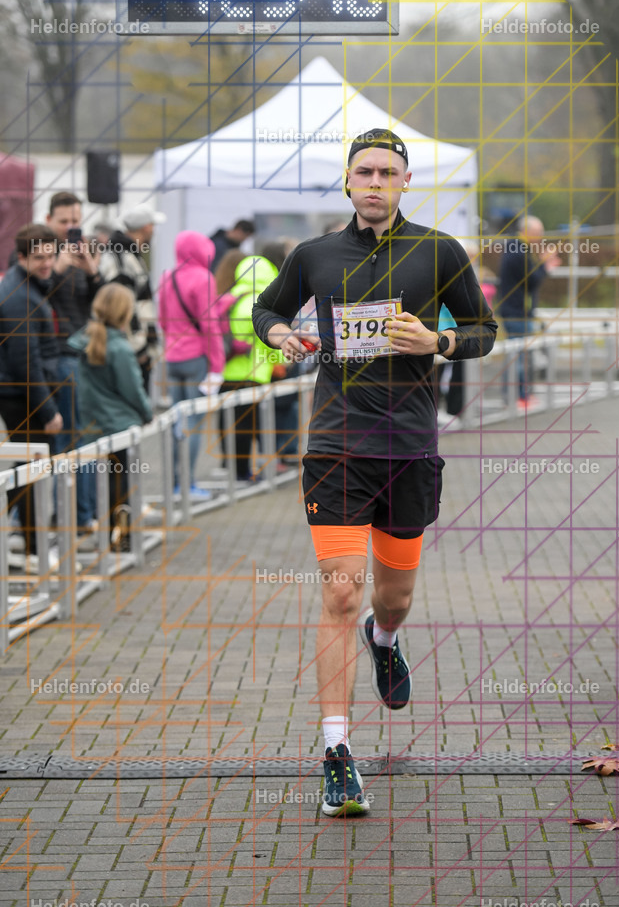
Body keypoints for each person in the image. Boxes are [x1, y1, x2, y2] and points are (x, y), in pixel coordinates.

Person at [253, 127, 497, 816]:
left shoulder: (437, 252)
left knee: (391, 599)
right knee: (338, 594)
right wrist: (278, 334)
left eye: (387, 172)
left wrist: (439, 339)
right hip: (335, 447)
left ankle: (383, 640)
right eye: (363, 171)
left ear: (404, 182)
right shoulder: (313, 255)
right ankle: (335, 753)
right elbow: (264, 307)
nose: (374, 182)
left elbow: (485, 330)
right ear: (348, 181)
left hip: (409, 449)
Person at [67, 284, 153, 551]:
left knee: (102, 484)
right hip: (120, 425)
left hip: (94, 423)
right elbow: (132, 389)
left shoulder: (86, 341)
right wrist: (147, 413)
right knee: (122, 486)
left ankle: (105, 536)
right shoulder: (121, 349)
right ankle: (123, 537)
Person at [0, 225, 63, 566]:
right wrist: (49, 409)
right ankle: (33, 551)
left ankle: (30, 546)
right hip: (21, 396)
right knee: (32, 470)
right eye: (39, 257)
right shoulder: (20, 296)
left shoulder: (27, 288)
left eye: (51, 256)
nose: (47, 264)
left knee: (28, 470)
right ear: (22, 256)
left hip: (20, 393)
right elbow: (27, 361)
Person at [45, 191, 102, 536]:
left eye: (75, 222)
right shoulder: (39, 254)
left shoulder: (86, 252)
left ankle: (81, 516)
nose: (70, 228)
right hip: (53, 356)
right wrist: (58, 267)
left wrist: (91, 271)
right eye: (64, 221)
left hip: (83, 355)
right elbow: (28, 298)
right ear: (50, 220)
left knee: (82, 438)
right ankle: (65, 518)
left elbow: (102, 306)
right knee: (63, 440)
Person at [157, 231, 227, 499]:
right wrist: (217, 367)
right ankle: (188, 485)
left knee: (176, 424)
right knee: (193, 425)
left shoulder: (167, 277)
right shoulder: (203, 278)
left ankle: (174, 484)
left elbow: (163, 321)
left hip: (172, 359)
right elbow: (210, 326)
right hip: (196, 359)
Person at [221, 252, 284, 481]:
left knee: (235, 424)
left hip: (227, 369)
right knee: (248, 426)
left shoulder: (231, 296)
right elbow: (265, 339)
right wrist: (280, 361)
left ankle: (235, 469)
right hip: (253, 372)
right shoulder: (259, 301)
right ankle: (243, 473)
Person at [496, 215, 559, 409]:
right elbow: (531, 280)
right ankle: (518, 396)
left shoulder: (517, 248)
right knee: (519, 356)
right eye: (538, 233)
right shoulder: (519, 250)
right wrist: (546, 264)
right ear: (528, 231)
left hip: (516, 310)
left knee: (519, 354)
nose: (540, 238)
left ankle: (518, 395)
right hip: (516, 312)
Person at [98, 203, 163, 392]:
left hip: (133, 349)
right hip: (131, 351)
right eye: (153, 226)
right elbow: (123, 308)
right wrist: (139, 348)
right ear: (146, 227)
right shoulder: (122, 258)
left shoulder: (129, 255)